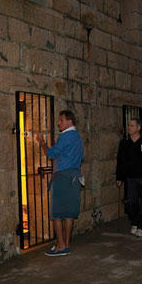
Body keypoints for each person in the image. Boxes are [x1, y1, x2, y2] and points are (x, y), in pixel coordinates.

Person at [35, 110, 84, 257]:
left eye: (61, 120)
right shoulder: (78, 137)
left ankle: (60, 246)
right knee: (69, 214)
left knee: (56, 214)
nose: (58, 123)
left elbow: (51, 154)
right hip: (75, 176)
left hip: (62, 176)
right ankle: (67, 244)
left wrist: (42, 142)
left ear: (70, 122)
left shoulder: (65, 136)